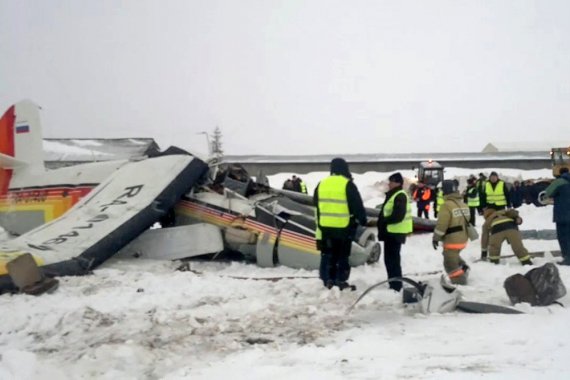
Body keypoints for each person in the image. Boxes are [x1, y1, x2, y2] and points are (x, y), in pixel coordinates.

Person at [314, 158, 367, 290]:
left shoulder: (321, 184)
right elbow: (357, 205)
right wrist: (362, 220)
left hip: (325, 227)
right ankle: (340, 280)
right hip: (343, 228)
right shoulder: (347, 184)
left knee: (329, 254)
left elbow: (316, 204)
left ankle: (328, 280)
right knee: (342, 255)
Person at [377, 172, 413, 292]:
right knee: (390, 259)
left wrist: (385, 221)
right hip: (391, 233)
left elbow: (398, 215)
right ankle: (393, 282)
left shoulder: (400, 195)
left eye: (391, 181)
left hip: (394, 233)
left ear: (397, 183)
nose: (389, 183)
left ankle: (396, 285)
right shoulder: (394, 194)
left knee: (393, 260)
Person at [432, 180, 470, 285]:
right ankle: (464, 267)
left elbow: (441, 225)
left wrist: (436, 238)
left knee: (449, 263)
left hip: (452, 239)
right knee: (454, 255)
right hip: (463, 238)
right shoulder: (463, 204)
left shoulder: (446, 206)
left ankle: (459, 281)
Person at [544, 167, 570, 265]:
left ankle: (567, 258)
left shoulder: (558, 182)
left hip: (562, 215)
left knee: (563, 237)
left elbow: (547, 193)